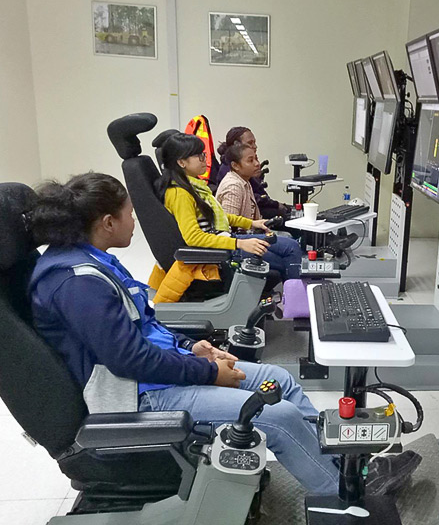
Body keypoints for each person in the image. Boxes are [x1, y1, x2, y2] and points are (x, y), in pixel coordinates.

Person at [27, 173, 416, 497]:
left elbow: (144, 326)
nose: (134, 221)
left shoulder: (92, 260)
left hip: (161, 373)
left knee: (279, 380)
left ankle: (339, 465)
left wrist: (191, 346)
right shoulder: (76, 283)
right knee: (278, 417)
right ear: (107, 222)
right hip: (141, 395)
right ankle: (343, 492)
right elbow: (129, 360)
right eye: (129, 214)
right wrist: (208, 371)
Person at [155, 131, 299, 279]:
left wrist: (252, 223)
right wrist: (238, 244)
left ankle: (293, 295)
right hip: (220, 251)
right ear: (181, 162)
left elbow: (218, 216)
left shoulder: (194, 186)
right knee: (287, 255)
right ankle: (295, 298)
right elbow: (193, 238)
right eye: (199, 156)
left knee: (290, 245)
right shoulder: (180, 194)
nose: (205, 159)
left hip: (225, 241)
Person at [216, 126, 289, 218]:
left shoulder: (244, 180)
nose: (255, 146)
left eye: (256, 159)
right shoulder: (232, 184)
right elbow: (230, 224)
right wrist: (275, 204)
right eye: (250, 143)